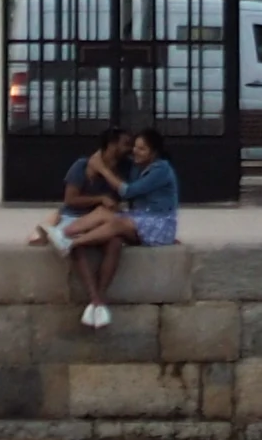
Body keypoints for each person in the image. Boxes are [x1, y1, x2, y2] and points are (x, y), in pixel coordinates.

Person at [50, 128, 179, 329]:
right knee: (104, 214)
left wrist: (102, 170)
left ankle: (70, 242)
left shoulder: (160, 169)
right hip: (136, 219)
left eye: (140, 148)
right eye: (132, 146)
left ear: (153, 153)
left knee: (115, 230)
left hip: (156, 222)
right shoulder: (92, 165)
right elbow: (70, 198)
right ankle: (63, 236)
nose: (133, 151)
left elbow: (128, 191)